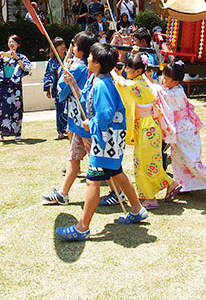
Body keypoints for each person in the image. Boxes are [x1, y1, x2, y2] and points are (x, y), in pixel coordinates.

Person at [55, 43, 147, 241]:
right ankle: (137, 209)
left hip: (106, 139)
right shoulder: (97, 79)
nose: (87, 59)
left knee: (92, 180)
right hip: (111, 138)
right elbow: (86, 100)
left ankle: (82, 227)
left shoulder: (102, 85)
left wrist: (91, 124)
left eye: (90, 56)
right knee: (117, 172)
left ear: (96, 63)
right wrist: (72, 84)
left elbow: (104, 115)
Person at [112, 54, 180, 209]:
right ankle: (170, 184)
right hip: (150, 126)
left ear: (138, 71)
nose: (126, 70)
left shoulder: (135, 85)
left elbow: (121, 83)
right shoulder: (141, 81)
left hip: (147, 127)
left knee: (143, 163)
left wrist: (112, 71)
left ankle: (149, 197)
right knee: (150, 161)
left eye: (129, 68)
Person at [157, 61, 206, 203]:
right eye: (163, 75)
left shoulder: (172, 93)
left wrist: (146, 79)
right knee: (178, 159)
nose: (162, 79)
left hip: (184, 131)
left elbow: (157, 92)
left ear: (175, 81)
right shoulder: (175, 89)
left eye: (165, 77)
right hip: (183, 129)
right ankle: (183, 185)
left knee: (192, 161)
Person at [42, 31, 96, 205]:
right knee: (74, 158)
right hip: (81, 119)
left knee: (98, 159)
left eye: (73, 43)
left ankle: (118, 191)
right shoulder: (87, 65)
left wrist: (65, 66)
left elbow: (62, 89)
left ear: (79, 48)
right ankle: (62, 193)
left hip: (82, 120)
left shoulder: (76, 67)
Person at [0, 34, 32, 142]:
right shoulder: (3, 56)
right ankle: (0, 131)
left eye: (13, 42)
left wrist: (17, 58)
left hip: (15, 86)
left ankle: (17, 132)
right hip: (4, 86)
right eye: (9, 42)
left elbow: (26, 68)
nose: (11, 44)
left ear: (18, 44)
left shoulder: (21, 57)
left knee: (17, 108)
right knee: (4, 109)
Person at [43, 37, 68, 140]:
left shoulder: (69, 58)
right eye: (59, 45)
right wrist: (48, 88)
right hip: (57, 88)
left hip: (69, 87)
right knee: (60, 108)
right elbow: (47, 75)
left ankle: (70, 128)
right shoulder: (52, 62)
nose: (62, 46)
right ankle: (61, 129)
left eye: (63, 44)